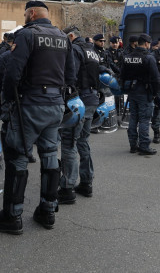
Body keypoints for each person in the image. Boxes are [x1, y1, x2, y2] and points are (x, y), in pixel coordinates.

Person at [0, 1, 73, 235]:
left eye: (25, 13)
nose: (24, 17)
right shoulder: (62, 37)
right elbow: (70, 74)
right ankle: (47, 211)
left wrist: (6, 103)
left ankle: (12, 216)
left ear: (32, 13)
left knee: (17, 157)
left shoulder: (27, 35)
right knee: (49, 156)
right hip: (55, 105)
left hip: (30, 105)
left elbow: (13, 73)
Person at [57, 26, 103, 204]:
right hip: (91, 99)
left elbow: (71, 77)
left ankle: (67, 188)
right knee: (83, 141)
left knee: (69, 143)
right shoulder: (91, 51)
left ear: (70, 36)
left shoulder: (75, 50)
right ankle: (86, 182)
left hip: (79, 100)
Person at [122, 33, 160, 156]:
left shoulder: (127, 57)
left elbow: (122, 75)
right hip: (144, 91)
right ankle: (144, 146)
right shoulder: (149, 58)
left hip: (132, 92)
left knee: (133, 117)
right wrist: (155, 93)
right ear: (147, 44)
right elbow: (155, 78)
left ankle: (133, 145)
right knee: (144, 119)